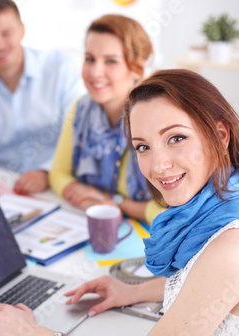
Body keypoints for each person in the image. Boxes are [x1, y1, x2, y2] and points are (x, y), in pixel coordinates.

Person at [0, 70, 239, 336]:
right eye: (143, 147)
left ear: (221, 135)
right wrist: (133, 291)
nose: (158, 165)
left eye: (176, 138)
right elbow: (202, 282)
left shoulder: (235, 248)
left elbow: (218, 271)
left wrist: (30, 333)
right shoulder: (227, 204)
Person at [0, 0, 84, 194]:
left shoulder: (61, 68)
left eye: (6, 33)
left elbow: (77, 131)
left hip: (58, 181)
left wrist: (46, 171)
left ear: (22, 30)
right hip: (5, 185)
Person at [49, 14, 164, 224]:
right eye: (90, 58)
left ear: (137, 67)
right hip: (99, 223)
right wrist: (87, 200)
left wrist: (116, 203)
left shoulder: (157, 117)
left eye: (111, 61)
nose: (95, 72)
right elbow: (58, 173)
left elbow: (178, 209)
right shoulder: (81, 108)